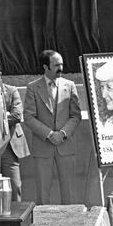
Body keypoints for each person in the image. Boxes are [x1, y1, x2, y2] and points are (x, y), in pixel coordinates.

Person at [23, 50, 81, 205]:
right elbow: (28, 117)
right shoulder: (32, 88)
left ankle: (71, 225)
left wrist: (62, 133)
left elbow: (76, 115)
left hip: (66, 145)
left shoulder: (70, 86)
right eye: (56, 65)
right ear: (45, 67)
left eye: (61, 64)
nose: (61, 67)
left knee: (69, 191)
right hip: (43, 147)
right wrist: (49, 134)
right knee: (43, 193)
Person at [0, 61, 30, 201]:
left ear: (0, 75)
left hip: (9, 145)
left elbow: (16, 116)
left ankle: (16, 217)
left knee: (14, 185)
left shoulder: (11, 90)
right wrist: (3, 115)